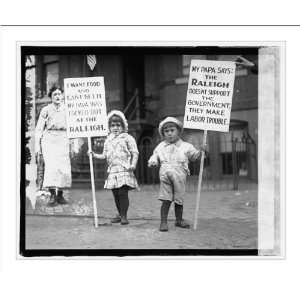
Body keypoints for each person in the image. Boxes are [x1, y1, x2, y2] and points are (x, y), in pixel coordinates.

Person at [148, 117, 206, 232]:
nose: (169, 133)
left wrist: (201, 151)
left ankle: (179, 220)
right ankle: (163, 222)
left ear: (178, 131)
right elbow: (155, 155)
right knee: (166, 199)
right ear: (163, 133)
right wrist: (153, 161)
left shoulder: (186, 146)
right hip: (166, 174)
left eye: (172, 130)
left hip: (180, 175)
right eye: (166, 131)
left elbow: (194, 156)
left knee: (179, 198)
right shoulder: (161, 146)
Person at [90, 110, 139, 225]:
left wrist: (133, 164)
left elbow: (135, 152)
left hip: (124, 169)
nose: (115, 128)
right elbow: (104, 155)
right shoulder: (108, 140)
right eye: (112, 125)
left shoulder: (127, 138)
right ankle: (119, 213)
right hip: (113, 171)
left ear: (123, 125)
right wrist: (94, 154)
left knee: (123, 193)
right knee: (116, 193)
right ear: (109, 127)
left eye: (118, 125)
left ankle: (124, 216)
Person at [35, 86, 71, 206]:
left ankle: (60, 195)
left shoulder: (67, 109)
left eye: (59, 94)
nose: (57, 96)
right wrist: (38, 145)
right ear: (51, 97)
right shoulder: (46, 110)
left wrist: (74, 142)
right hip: (49, 139)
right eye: (54, 94)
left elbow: (73, 126)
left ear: (63, 95)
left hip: (63, 138)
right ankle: (52, 195)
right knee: (51, 168)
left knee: (63, 168)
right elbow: (39, 128)